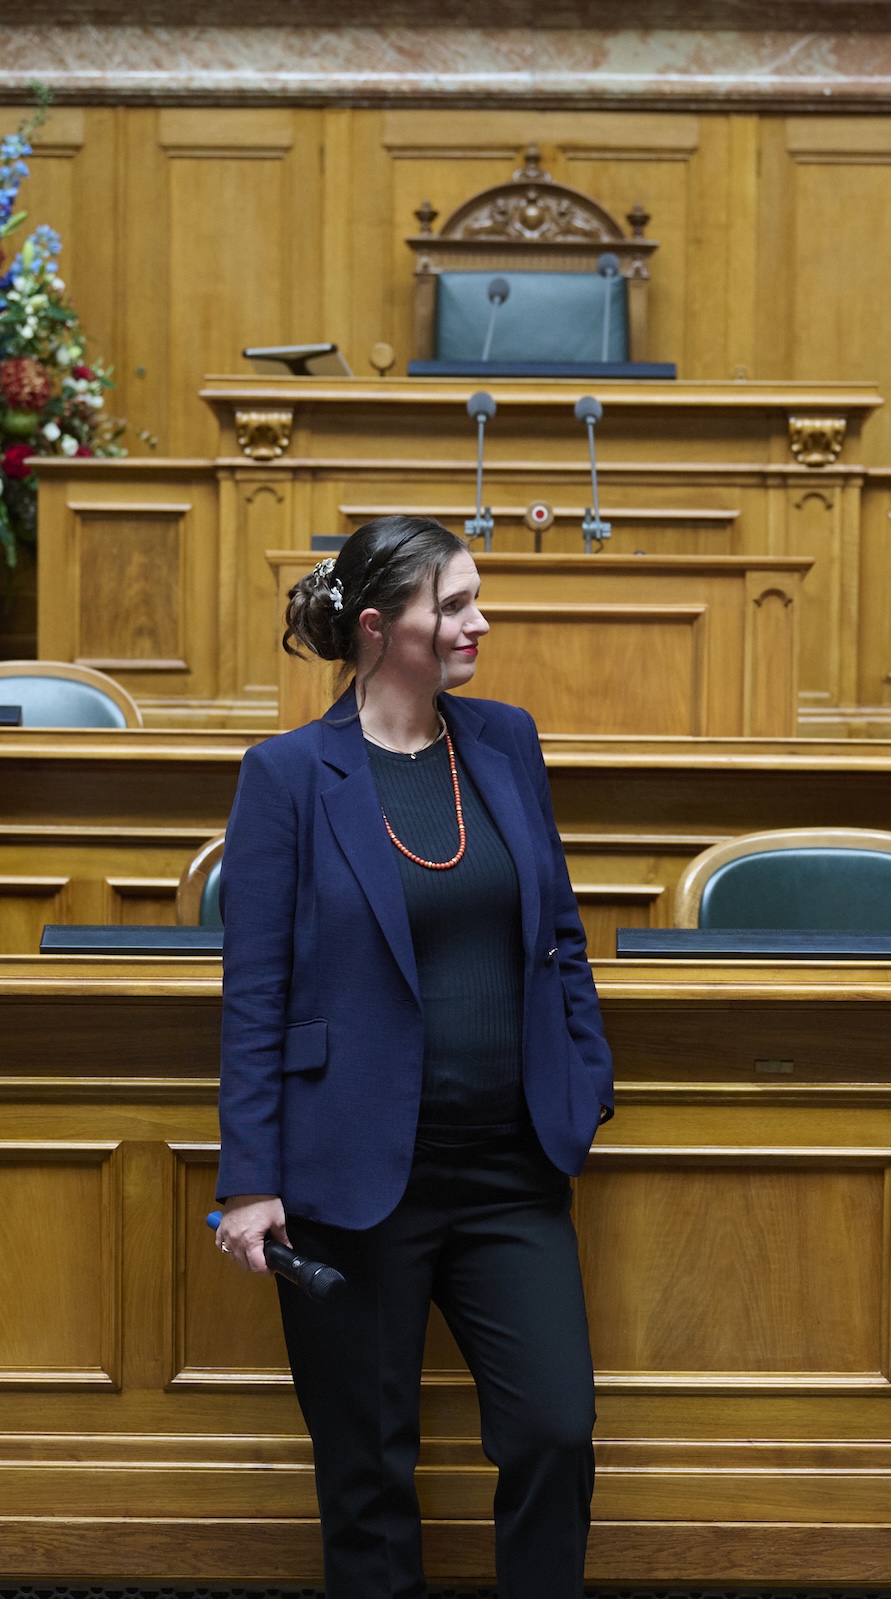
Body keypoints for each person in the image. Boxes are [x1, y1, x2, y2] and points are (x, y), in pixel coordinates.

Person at [211, 514, 615, 1597]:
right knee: (368, 1474)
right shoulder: (289, 777)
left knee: (553, 1433)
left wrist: (586, 1073)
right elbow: (254, 994)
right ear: (384, 628)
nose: (480, 622)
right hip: (352, 1177)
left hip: (509, 1168)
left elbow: (559, 932)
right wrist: (249, 1180)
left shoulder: (505, 743)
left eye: (477, 600)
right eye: (457, 605)